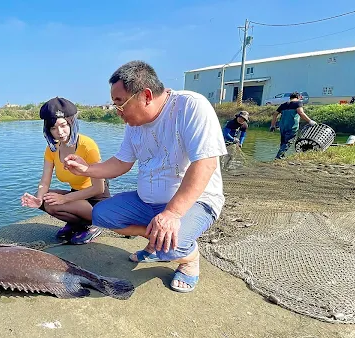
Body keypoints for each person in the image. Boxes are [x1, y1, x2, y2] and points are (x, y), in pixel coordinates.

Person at [63, 60, 228, 293]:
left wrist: (171, 213)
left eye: (120, 104)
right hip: (147, 201)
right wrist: (86, 169)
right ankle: (157, 241)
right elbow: (121, 162)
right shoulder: (134, 124)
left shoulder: (190, 106)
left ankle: (189, 258)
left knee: (171, 246)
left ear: (146, 96)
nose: (117, 112)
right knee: (101, 214)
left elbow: (206, 163)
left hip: (194, 202)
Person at [20, 97, 110, 245]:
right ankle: (77, 223)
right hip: (77, 197)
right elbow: (45, 181)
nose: (59, 132)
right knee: (43, 198)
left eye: (63, 125)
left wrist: (65, 199)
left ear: (71, 123)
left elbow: (98, 188)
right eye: (53, 128)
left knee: (54, 203)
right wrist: (38, 199)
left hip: (96, 201)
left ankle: (93, 225)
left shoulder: (87, 146)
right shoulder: (52, 149)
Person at [270, 92, 316, 159]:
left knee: (283, 142)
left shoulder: (283, 105)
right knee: (288, 142)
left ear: (290, 97)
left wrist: (272, 125)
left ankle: (282, 156)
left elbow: (275, 114)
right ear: (299, 97)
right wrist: (310, 121)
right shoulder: (298, 103)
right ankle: (278, 156)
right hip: (292, 126)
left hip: (282, 126)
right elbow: (301, 113)